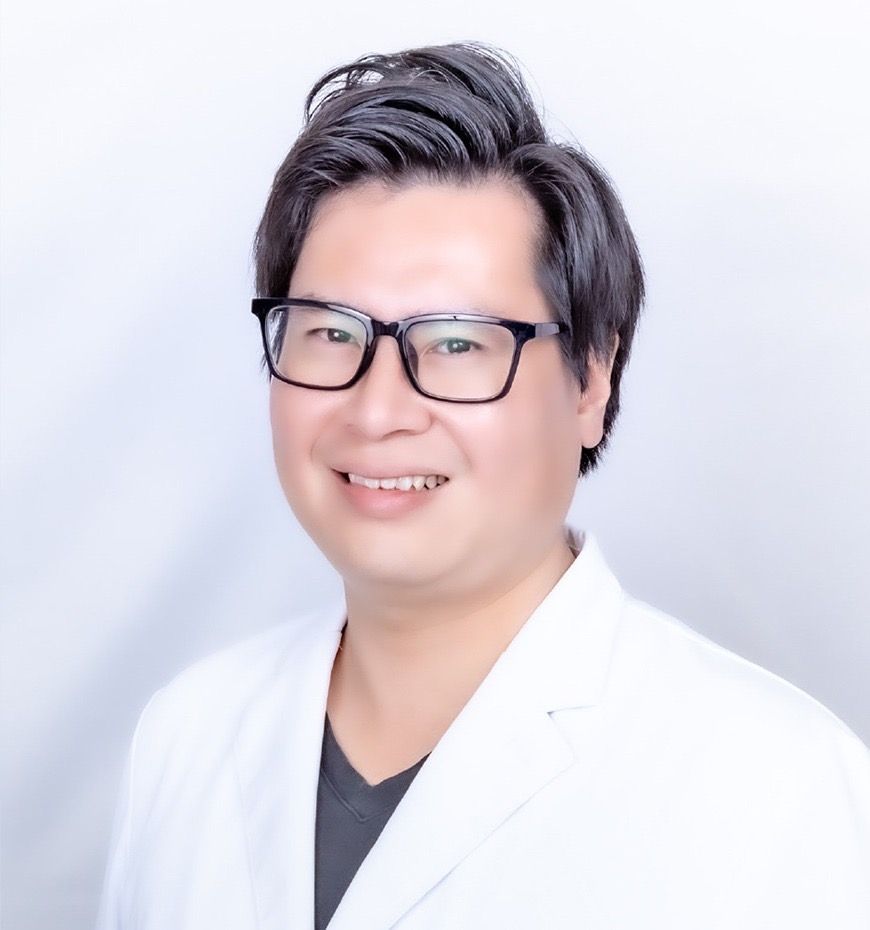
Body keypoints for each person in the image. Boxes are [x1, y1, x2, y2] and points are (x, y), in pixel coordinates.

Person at [96, 41, 870, 930]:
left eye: (458, 343)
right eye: (331, 333)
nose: (378, 409)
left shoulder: (778, 788)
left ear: (590, 383)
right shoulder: (186, 735)